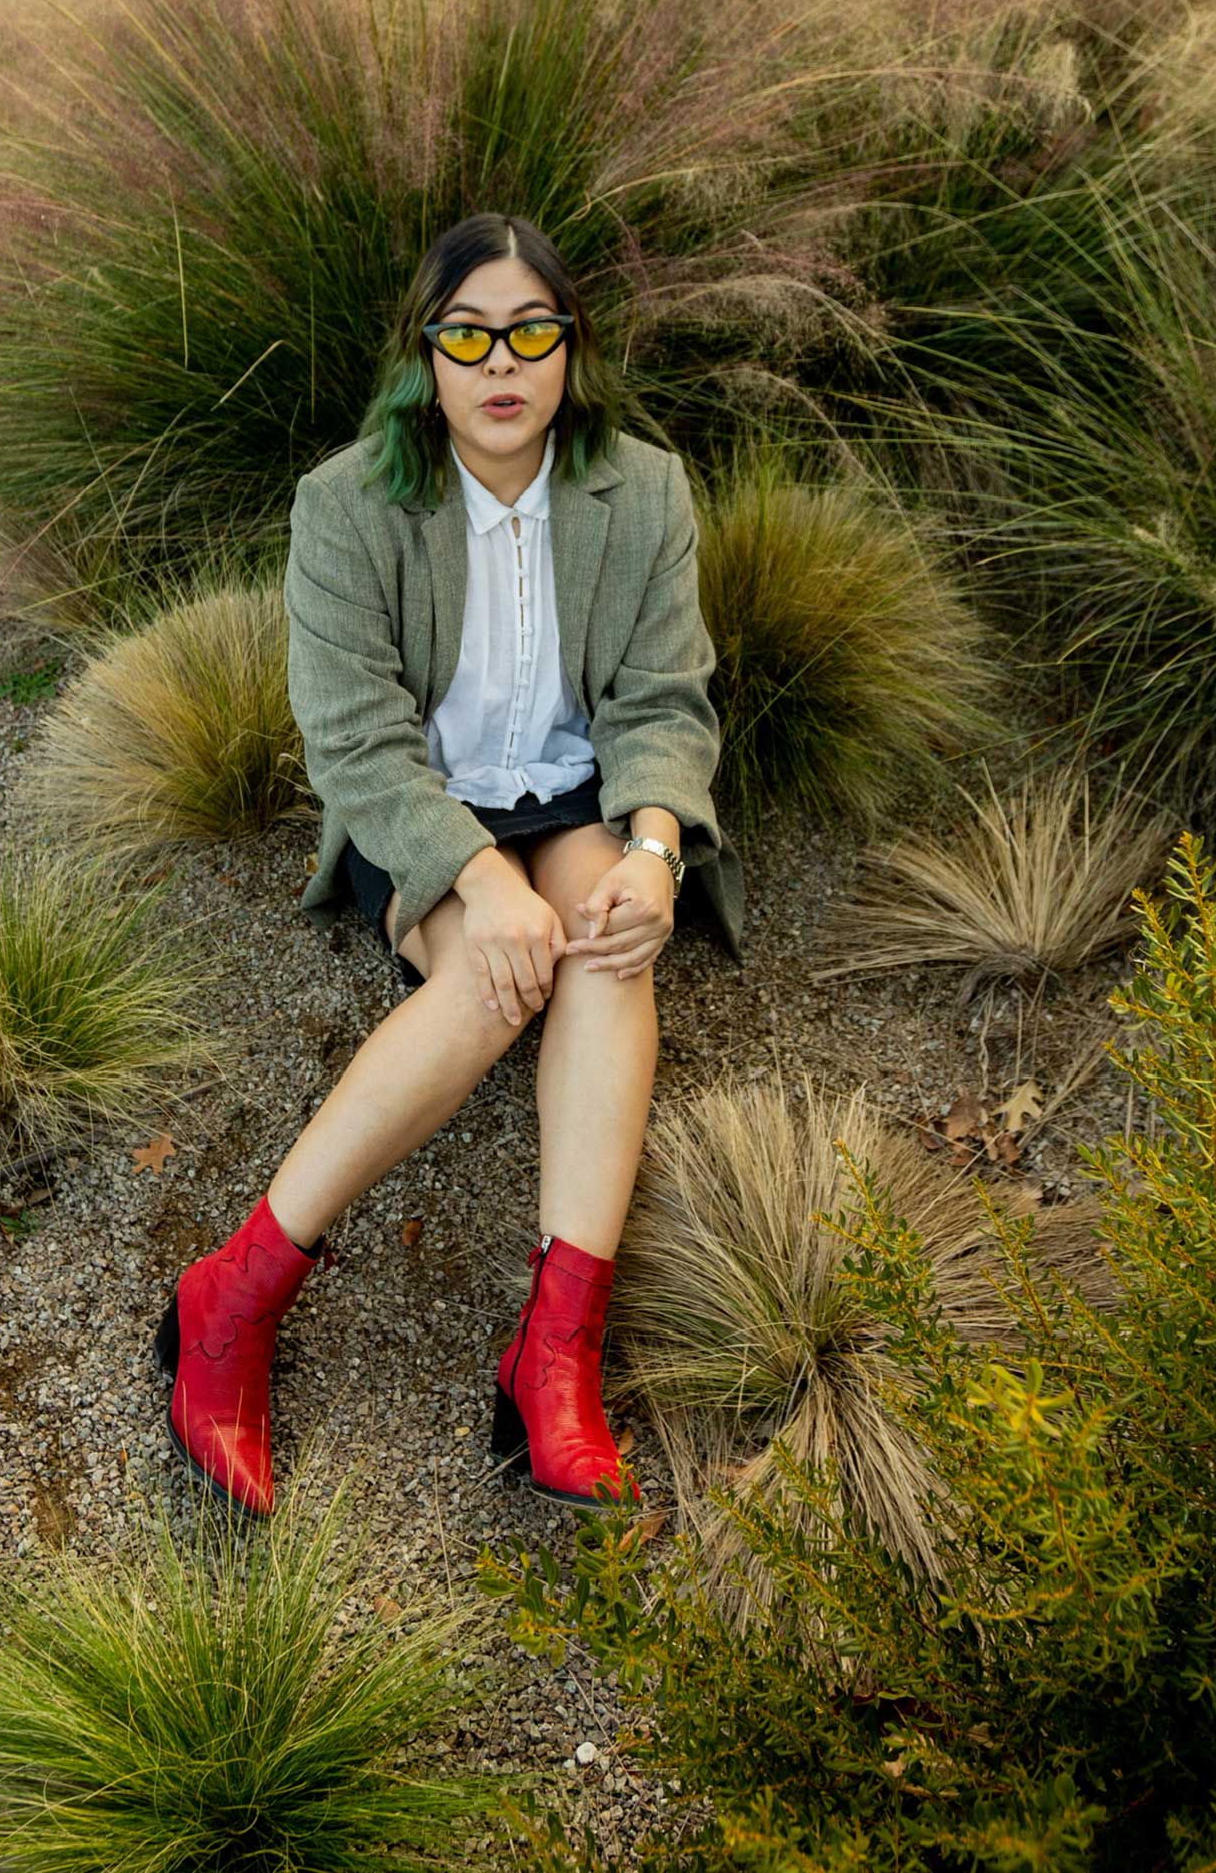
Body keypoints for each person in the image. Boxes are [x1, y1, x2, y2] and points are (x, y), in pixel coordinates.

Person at [153, 212, 746, 1519]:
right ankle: (230, 1301)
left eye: (531, 332)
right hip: (424, 815)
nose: (502, 364)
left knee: (604, 939)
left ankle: (554, 1362)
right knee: (493, 970)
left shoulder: (640, 489)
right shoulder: (349, 505)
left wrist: (652, 852)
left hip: (579, 796)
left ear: (569, 350)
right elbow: (357, 744)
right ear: (427, 354)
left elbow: (661, 701)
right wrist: (478, 876)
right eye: (468, 334)